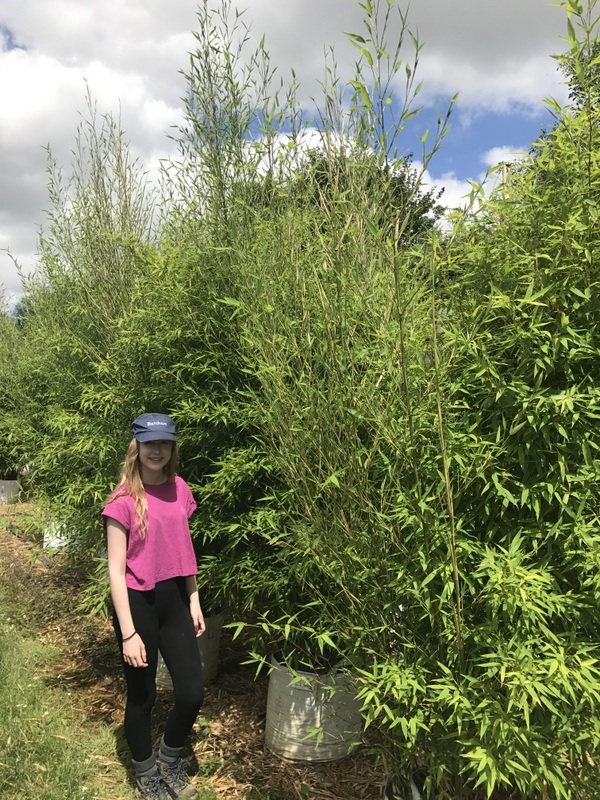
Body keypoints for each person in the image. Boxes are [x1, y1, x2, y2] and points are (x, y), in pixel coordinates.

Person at [102, 413, 205, 800]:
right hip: (138, 603)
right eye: (149, 443)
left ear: (172, 448)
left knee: (192, 693)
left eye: (164, 443)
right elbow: (115, 572)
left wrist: (194, 598)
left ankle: (169, 759)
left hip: (175, 599)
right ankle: (147, 774)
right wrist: (129, 633)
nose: (156, 450)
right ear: (137, 447)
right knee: (143, 696)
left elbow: (185, 549)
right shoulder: (123, 501)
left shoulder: (180, 488)